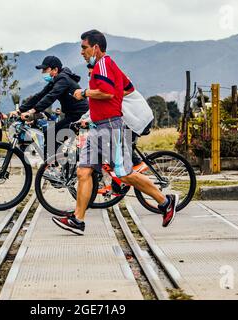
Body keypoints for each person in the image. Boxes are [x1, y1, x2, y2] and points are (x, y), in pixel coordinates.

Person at [52, 30, 178, 236]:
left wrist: (84, 93)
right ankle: (78, 220)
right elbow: (127, 88)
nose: (81, 51)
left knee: (124, 174)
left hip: (110, 127)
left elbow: (108, 92)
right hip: (97, 127)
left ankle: (165, 202)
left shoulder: (103, 64)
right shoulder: (106, 66)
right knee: (83, 171)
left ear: (96, 47)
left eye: (84, 47)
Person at [12, 56, 89, 159]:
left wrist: (32, 111)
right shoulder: (56, 80)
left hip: (79, 115)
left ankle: (54, 165)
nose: (43, 72)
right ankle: (57, 164)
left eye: (45, 69)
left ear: (55, 69)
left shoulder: (63, 79)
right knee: (50, 136)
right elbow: (39, 96)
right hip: (71, 115)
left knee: (51, 135)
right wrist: (19, 110)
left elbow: (51, 97)